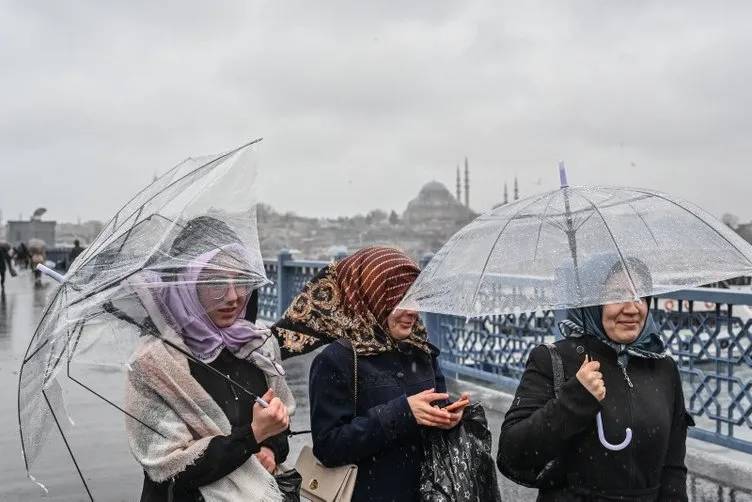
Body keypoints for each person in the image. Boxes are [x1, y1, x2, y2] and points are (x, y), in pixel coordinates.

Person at [272, 246, 470, 502]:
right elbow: (329, 447)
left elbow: (434, 410)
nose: (412, 311)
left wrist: (449, 417)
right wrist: (402, 413)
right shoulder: (337, 360)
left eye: (415, 298)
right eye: (400, 300)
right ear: (373, 296)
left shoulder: (420, 350)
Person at [125, 217, 294, 502]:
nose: (233, 297)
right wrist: (252, 436)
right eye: (215, 281)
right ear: (185, 284)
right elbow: (170, 471)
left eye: (240, 280)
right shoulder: (153, 364)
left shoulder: (255, 346)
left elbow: (279, 422)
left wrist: (272, 448)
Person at [497, 258, 692, 501]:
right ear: (591, 302)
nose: (632, 308)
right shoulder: (552, 359)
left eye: (640, 296)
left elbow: (673, 467)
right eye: (617, 295)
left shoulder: (663, 367)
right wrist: (574, 399)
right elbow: (512, 454)